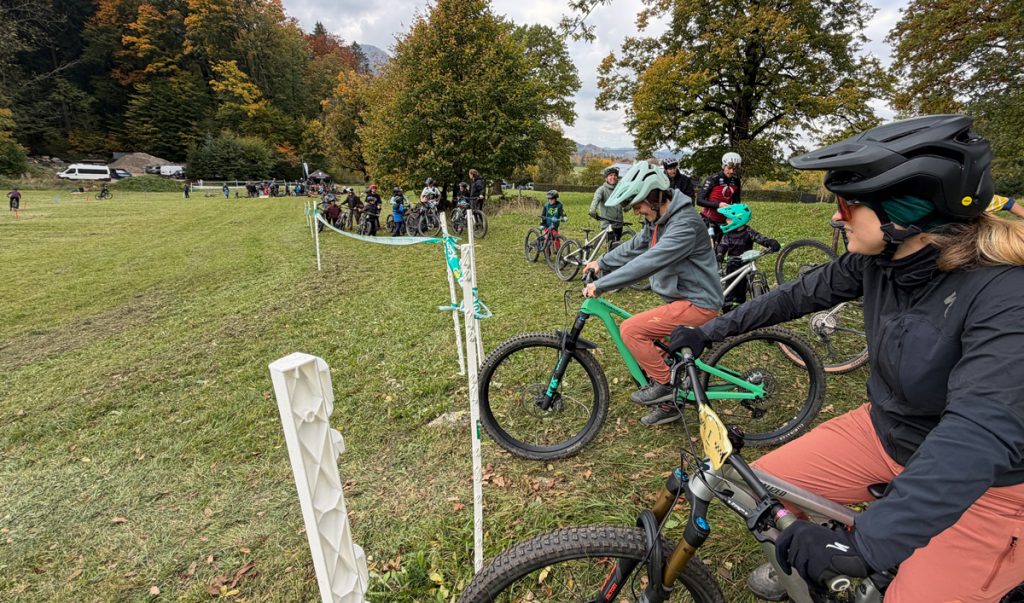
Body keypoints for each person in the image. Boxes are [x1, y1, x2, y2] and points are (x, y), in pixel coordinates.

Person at [668, 115, 1024, 602]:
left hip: (991, 485)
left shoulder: (1006, 294)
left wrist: (872, 543)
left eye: (847, 204)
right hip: (886, 431)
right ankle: (820, 559)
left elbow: (981, 430)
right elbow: (797, 295)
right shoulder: (881, 260)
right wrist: (708, 331)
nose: (837, 218)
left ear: (904, 213)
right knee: (757, 492)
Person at [582, 160, 723, 426]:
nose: (636, 212)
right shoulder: (660, 220)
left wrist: (602, 284)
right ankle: (671, 403)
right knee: (654, 350)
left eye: (638, 205)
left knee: (632, 331)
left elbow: (649, 261)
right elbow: (637, 245)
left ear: (655, 197)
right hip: (682, 300)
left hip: (699, 304)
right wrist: (602, 263)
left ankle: (666, 387)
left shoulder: (684, 225)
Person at [714, 204, 780, 312]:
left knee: (742, 287)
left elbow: (759, 238)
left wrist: (770, 242)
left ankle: (741, 305)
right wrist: (720, 253)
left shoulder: (749, 231)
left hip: (746, 263)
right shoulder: (728, 234)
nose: (726, 220)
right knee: (730, 285)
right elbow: (723, 245)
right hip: (733, 263)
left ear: (738, 219)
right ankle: (727, 306)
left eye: (729, 219)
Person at [697, 152, 743, 247]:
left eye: (734, 169)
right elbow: (699, 200)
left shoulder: (736, 181)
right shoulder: (712, 179)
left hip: (724, 222)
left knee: (719, 251)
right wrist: (718, 205)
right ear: (723, 166)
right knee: (708, 249)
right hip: (708, 220)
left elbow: (736, 202)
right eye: (729, 168)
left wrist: (734, 215)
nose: (731, 171)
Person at [589, 166, 624, 241]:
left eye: (615, 175)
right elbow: (596, 199)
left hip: (619, 223)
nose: (613, 177)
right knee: (611, 245)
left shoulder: (620, 190)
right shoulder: (601, 190)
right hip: (607, 223)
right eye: (610, 175)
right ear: (606, 178)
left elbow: (625, 204)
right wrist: (592, 210)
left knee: (617, 244)